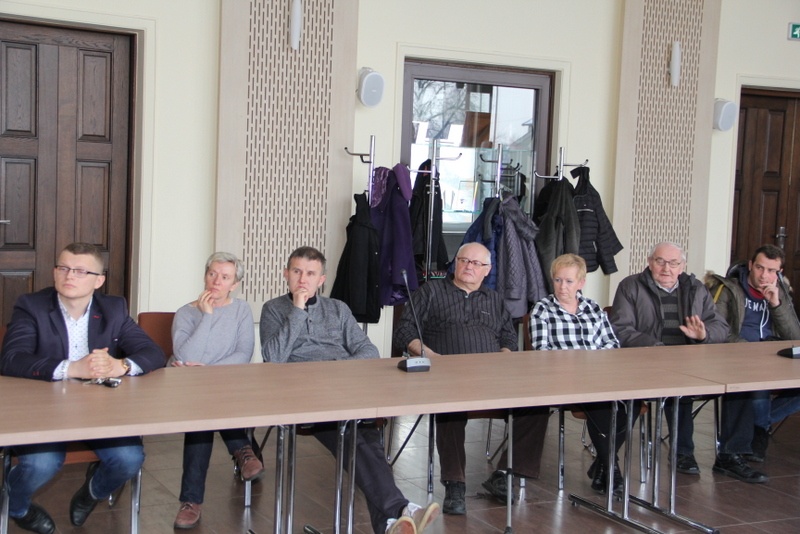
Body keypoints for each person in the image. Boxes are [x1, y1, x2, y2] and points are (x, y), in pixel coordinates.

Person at [260, 246, 439, 534]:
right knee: (357, 439)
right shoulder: (273, 309)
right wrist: (297, 310)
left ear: (322, 280)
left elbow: (368, 350)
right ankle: (399, 509)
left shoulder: (338, 309)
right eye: (297, 272)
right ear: (286, 274)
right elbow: (274, 357)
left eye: (310, 273)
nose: (303, 279)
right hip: (304, 397)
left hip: (344, 390)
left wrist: (337, 370)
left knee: (367, 439)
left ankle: (391, 522)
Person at [0, 242, 165, 534]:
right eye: (63, 268)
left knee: (129, 459)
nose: (69, 276)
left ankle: (92, 491)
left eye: (80, 271)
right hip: (44, 409)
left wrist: (122, 366)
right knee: (41, 464)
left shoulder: (113, 309)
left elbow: (153, 352)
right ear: (55, 272)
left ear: (98, 280)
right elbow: (11, 359)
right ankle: (16, 506)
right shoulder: (32, 306)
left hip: (98, 411)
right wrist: (71, 368)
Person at [393, 242, 550, 515]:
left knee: (537, 405)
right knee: (450, 408)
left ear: (487, 270)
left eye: (477, 263)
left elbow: (508, 337)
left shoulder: (494, 299)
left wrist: (502, 357)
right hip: (445, 374)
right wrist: (432, 356)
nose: (469, 267)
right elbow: (405, 331)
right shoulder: (431, 292)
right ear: (455, 263)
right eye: (464, 260)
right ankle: (455, 483)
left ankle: (505, 474)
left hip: (492, 376)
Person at [610, 242, 729, 477]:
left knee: (687, 386)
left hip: (688, 363)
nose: (667, 269)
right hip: (644, 363)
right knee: (632, 396)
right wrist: (656, 347)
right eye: (660, 262)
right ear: (649, 262)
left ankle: (684, 453)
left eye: (674, 263)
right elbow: (620, 329)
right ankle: (608, 458)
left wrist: (703, 335)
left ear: (682, 266)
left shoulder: (695, 288)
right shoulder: (631, 286)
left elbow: (721, 326)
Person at [170, 252, 264, 529]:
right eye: (212, 274)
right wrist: (207, 317)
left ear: (234, 284)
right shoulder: (186, 313)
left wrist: (209, 371)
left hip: (224, 384)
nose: (216, 281)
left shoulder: (241, 310)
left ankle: (191, 500)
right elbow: (186, 356)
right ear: (205, 276)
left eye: (225, 277)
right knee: (203, 412)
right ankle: (242, 450)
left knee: (209, 408)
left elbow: (244, 353)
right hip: (189, 387)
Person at [530, 253, 633, 495]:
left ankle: (603, 463)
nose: (562, 287)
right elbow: (541, 352)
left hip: (597, 375)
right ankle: (611, 468)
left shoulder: (593, 308)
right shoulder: (542, 309)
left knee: (633, 401)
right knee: (601, 405)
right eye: (557, 280)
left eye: (568, 281)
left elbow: (611, 343)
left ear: (581, 283)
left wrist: (594, 364)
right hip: (563, 378)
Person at [705, 244, 800, 474]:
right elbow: (719, 331)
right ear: (750, 265)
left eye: (771, 271)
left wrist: (776, 305)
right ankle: (755, 434)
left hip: (774, 358)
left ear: (779, 272)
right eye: (760, 268)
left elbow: (795, 336)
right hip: (737, 358)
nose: (764, 275)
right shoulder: (729, 289)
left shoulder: (780, 292)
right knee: (758, 383)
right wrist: (752, 351)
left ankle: (759, 426)